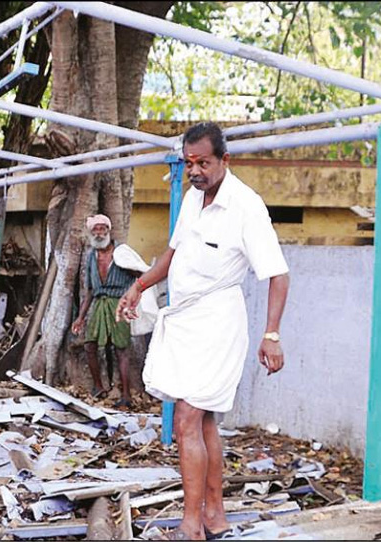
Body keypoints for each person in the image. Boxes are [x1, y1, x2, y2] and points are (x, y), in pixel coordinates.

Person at [118, 122, 290, 541]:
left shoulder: (246, 207)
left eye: (203, 163)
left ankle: (191, 524)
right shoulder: (193, 199)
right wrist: (138, 287)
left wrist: (272, 334)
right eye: (189, 163)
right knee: (205, 423)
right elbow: (172, 255)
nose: (194, 171)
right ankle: (215, 514)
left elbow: (278, 275)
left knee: (187, 422)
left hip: (218, 323)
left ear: (224, 160)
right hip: (186, 321)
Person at [71, 214, 136, 406]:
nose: (99, 233)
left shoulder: (121, 252)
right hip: (99, 304)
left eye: (102, 229)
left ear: (109, 230)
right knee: (90, 344)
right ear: (91, 233)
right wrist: (80, 317)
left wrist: (133, 297)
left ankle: (126, 395)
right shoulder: (92, 256)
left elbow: (139, 273)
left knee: (121, 348)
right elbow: (90, 290)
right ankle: (98, 386)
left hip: (119, 302)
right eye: (95, 230)